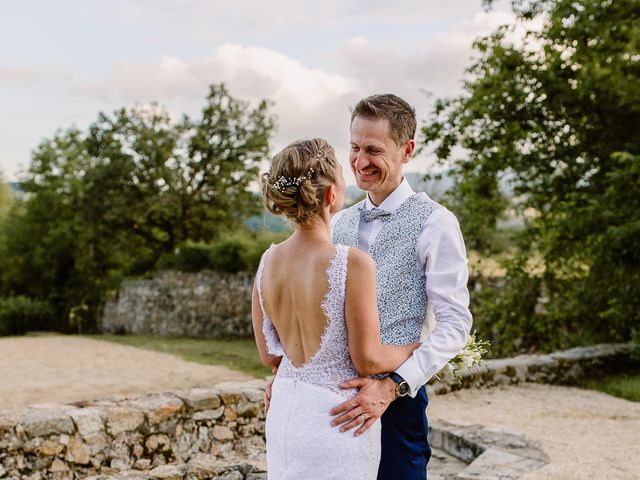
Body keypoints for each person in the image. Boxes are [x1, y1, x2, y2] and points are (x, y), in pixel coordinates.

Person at [252, 138, 421, 479]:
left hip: (286, 413)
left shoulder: (267, 261)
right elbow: (368, 359)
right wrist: (417, 347)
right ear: (331, 195)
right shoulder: (352, 263)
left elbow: (270, 357)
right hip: (336, 418)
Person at [330, 94, 473, 479]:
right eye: (355, 148)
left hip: (396, 406)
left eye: (374, 150)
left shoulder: (436, 223)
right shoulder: (336, 223)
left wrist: (393, 386)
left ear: (406, 150)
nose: (360, 162)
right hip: (331, 401)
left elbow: (455, 325)